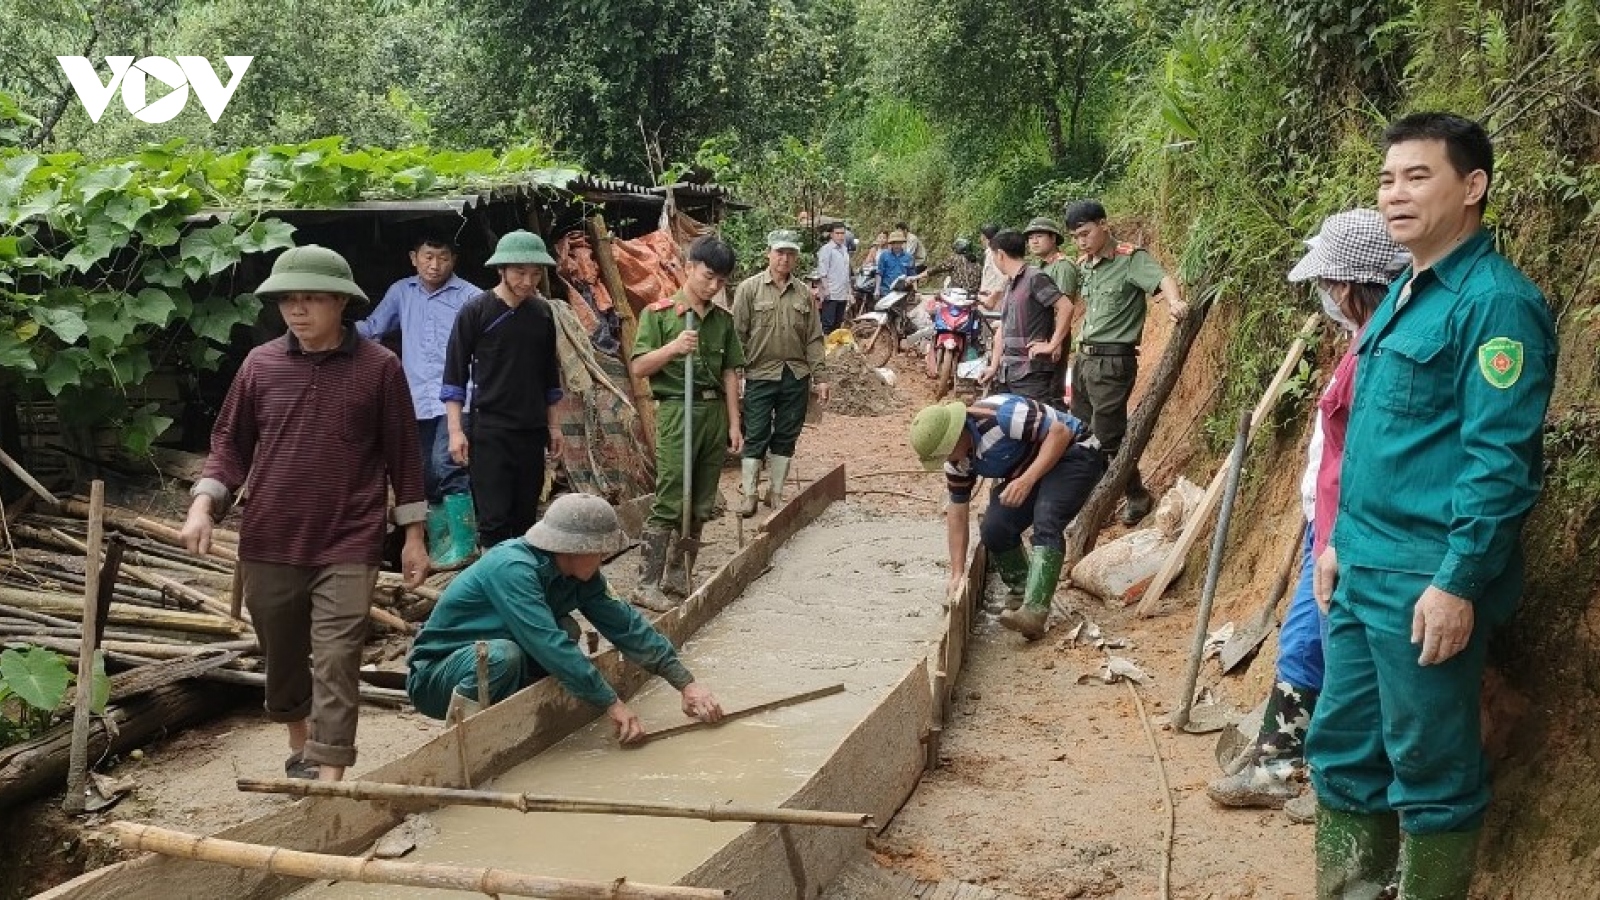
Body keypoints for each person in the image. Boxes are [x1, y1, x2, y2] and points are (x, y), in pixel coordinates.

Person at [1307, 113, 1556, 898]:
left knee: (1431, 766)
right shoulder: (1401, 296)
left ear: (1473, 187)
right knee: (1344, 748)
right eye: (1387, 179)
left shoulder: (1495, 306)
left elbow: (1499, 463)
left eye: (1418, 176)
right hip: (1361, 569)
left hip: (1425, 580)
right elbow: (1378, 442)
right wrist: (1338, 541)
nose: (1395, 194)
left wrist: (1458, 583)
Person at [180, 245, 430, 782]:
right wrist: (203, 505)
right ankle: (301, 742)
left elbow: (405, 457)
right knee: (283, 655)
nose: (297, 310)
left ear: (341, 302)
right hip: (269, 537)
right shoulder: (260, 365)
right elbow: (229, 444)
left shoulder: (380, 368)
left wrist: (414, 536)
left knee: (338, 658)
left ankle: (331, 771)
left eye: (311, 299)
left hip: (349, 538)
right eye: (288, 300)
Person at [1205, 209, 1408, 822]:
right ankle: (1278, 756)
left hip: (1355, 531)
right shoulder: (1363, 338)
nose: (1322, 294)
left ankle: (1338, 779)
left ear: (1347, 285)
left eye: (1326, 282)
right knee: (1304, 640)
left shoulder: (1390, 345)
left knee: (1340, 649)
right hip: (1329, 525)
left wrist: (1336, 530)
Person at [406, 492, 725, 739]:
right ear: (574, 548)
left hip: (498, 662)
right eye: (600, 552)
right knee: (505, 655)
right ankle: (464, 743)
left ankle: (524, 719)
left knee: (567, 630)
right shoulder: (513, 568)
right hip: (438, 676)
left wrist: (685, 684)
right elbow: (547, 643)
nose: (603, 559)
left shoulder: (580, 576)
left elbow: (627, 626)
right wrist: (611, 703)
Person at [909, 394, 1106, 641]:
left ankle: (1035, 611)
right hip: (1033, 468)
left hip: (1075, 453)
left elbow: (1060, 433)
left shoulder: (1002, 416)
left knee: (1047, 518)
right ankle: (1023, 591)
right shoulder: (958, 462)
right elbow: (957, 514)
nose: (947, 461)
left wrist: (1026, 480)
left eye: (946, 454)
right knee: (994, 527)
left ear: (956, 435)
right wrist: (957, 573)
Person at [630, 235, 746, 610]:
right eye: (708, 276)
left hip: (713, 414)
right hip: (678, 411)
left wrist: (733, 423)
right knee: (670, 496)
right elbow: (639, 367)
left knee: (701, 500)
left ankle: (679, 572)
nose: (713, 286)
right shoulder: (658, 315)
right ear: (689, 267)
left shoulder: (722, 321)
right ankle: (646, 582)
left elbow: (730, 373)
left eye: (721, 281)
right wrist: (674, 347)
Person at [355, 234, 482, 568]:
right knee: (424, 474)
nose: (434, 264)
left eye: (442, 257)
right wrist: (331, 331)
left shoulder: (470, 296)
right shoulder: (402, 291)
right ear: (414, 258)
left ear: (453, 260)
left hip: (460, 397)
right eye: (428, 256)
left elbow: (489, 344)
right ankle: (442, 546)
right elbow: (374, 327)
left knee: (448, 464)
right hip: (416, 398)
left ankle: (465, 545)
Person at [1063, 200, 1188, 525]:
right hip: (1085, 360)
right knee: (1082, 433)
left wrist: (1174, 303)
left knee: (1108, 436)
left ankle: (1127, 497)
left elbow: (1162, 279)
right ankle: (1111, 497)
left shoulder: (1130, 259)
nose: (1081, 241)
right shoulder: (1086, 265)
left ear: (1103, 225)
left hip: (1112, 362)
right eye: (1076, 237)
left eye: (1086, 233)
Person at [441, 230, 565, 549]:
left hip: (531, 429)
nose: (528, 281)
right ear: (502, 270)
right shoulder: (476, 311)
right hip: (490, 430)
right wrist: (456, 431)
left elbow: (550, 377)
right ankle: (493, 587)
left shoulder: (542, 313)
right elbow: (454, 376)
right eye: (520, 272)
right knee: (494, 520)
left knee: (525, 518)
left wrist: (554, 426)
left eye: (535, 273)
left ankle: (519, 586)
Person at [733, 229, 829, 518]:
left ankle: (775, 493)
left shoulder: (803, 294)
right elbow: (737, 334)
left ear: (796, 257)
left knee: (787, 434)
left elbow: (814, 338)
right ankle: (749, 494)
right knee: (757, 432)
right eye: (780, 252)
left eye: (790, 253)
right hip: (760, 374)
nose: (785, 258)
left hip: (795, 375)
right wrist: (737, 374)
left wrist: (821, 377)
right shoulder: (749, 290)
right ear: (769, 254)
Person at [981, 229, 1070, 405]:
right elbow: (1003, 329)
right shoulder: (1011, 283)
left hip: (1032, 374)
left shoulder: (1035, 278)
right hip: (1009, 373)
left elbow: (1066, 307)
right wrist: (994, 365)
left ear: (1000, 254)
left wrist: (1052, 344)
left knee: (1037, 426)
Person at [817, 223, 853, 332]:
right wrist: (826, 289)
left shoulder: (845, 250)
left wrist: (849, 292)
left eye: (842, 233)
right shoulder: (826, 249)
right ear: (832, 234)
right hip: (831, 293)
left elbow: (846, 273)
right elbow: (823, 272)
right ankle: (825, 347)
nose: (840, 236)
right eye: (837, 233)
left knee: (838, 323)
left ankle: (833, 347)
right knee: (828, 323)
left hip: (842, 293)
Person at [875, 230, 918, 298]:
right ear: (891, 244)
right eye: (894, 243)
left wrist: (915, 291)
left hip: (902, 292)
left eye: (898, 243)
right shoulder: (884, 255)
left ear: (902, 243)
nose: (896, 245)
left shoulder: (909, 257)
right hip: (885, 291)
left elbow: (912, 275)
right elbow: (879, 273)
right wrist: (877, 289)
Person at [977, 224, 1006, 310]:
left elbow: (1003, 277)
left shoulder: (993, 254)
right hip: (988, 298)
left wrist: (994, 296)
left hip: (991, 300)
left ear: (984, 237)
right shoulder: (991, 252)